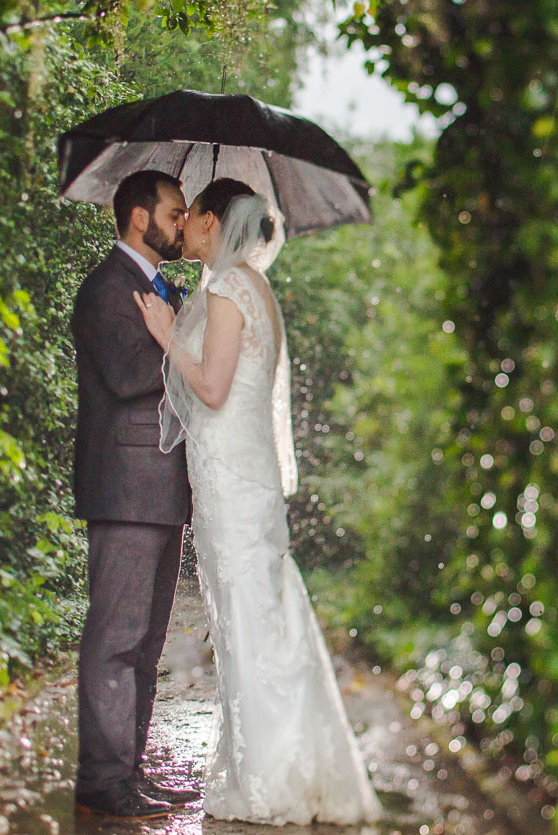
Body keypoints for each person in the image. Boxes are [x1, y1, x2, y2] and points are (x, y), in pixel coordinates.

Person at [133, 178, 385, 825]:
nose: (183, 227)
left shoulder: (224, 289)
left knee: (248, 623)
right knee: (261, 617)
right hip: (246, 479)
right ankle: (287, 764)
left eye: (191, 217)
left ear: (214, 222)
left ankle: (272, 779)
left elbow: (213, 389)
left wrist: (166, 333)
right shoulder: (256, 288)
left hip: (232, 484)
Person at [67, 169, 203, 820]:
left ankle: (128, 773)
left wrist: (177, 331)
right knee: (115, 638)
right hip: (122, 486)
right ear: (137, 217)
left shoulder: (161, 287)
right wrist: (175, 343)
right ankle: (100, 782)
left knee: (145, 645)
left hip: (162, 487)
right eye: (175, 213)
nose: (182, 224)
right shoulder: (104, 289)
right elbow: (124, 378)